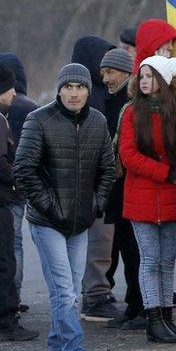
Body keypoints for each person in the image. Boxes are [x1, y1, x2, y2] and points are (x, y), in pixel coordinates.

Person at [13, 63, 115, 351]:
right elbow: (23, 170)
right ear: (58, 89)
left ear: (88, 90)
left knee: (69, 291)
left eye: (80, 87)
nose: (74, 93)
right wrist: (52, 207)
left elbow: (107, 169)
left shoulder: (98, 122)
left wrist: (95, 205)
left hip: (80, 221)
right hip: (47, 222)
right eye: (68, 87)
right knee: (64, 290)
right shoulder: (38, 119)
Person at [119, 56, 176, 343]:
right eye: (141, 77)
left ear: (163, 81)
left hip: (173, 194)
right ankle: (153, 319)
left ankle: (166, 318)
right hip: (144, 194)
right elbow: (129, 156)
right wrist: (166, 173)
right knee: (150, 260)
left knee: (167, 261)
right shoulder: (131, 113)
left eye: (150, 76)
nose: (144, 82)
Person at [69, 36, 125, 322]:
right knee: (97, 241)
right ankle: (94, 296)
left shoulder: (97, 93)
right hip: (93, 179)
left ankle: (97, 291)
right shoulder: (88, 96)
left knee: (102, 241)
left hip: (99, 178)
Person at [0, 61, 39, 342]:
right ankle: (6, 322)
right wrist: (21, 178)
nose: (14, 95)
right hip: (1, 200)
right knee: (4, 262)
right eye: (10, 90)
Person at [96, 48, 146, 331]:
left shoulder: (130, 103)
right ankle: (133, 304)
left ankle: (140, 306)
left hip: (130, 188)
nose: (105, 78)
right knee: (128, 250)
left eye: (110, 72)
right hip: (120, 189)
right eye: (103, 72)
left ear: (127, 73)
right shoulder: (114, 99)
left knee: (135, 251)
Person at [0, 52, 39, 304]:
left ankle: (6, 297)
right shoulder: (30, 107)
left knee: (5, 244)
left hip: (4, 183)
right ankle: (16, 294)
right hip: (23, 181)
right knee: (17, 243)